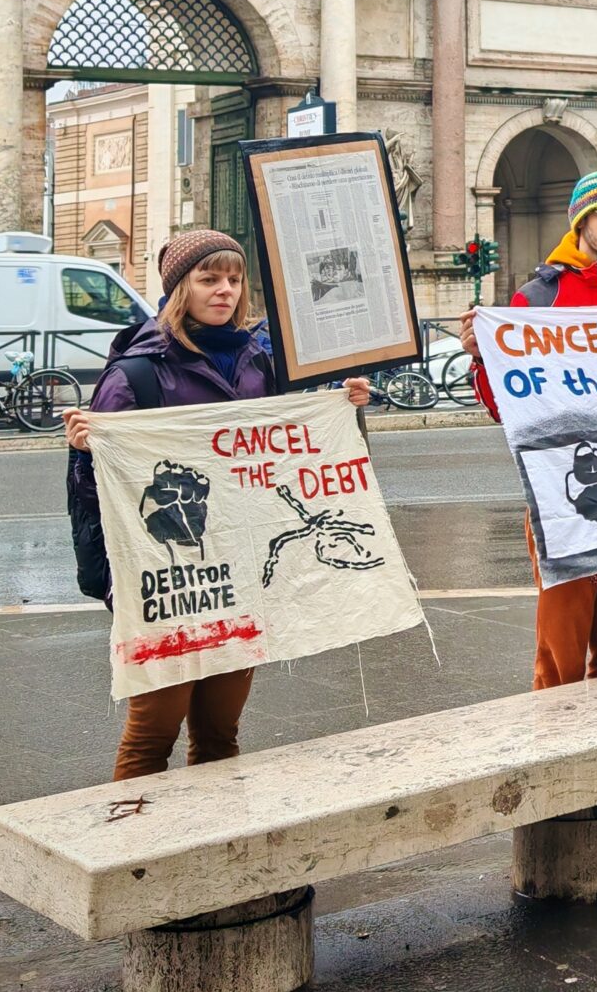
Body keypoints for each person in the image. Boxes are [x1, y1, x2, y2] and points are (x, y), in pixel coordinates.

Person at [63, 229, 373, 779]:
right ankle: (135, 852)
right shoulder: (136, 372)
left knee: (220, 731)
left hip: (240, 567)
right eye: (209, 279)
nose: (224, 290)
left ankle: (211, 848)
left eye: (233, 279)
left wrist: (343, 412)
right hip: (166, 576)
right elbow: (98, 492)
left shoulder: (258, 365)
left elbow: (294, 460)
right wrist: (88, 448)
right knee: (151, 731)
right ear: (180, 287)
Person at [459, 169, 597, 688]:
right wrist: (483, 360)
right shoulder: (538, 298)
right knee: (561, 649)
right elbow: (505, 407)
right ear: (581, 221)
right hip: (559, 491)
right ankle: (555, 742)